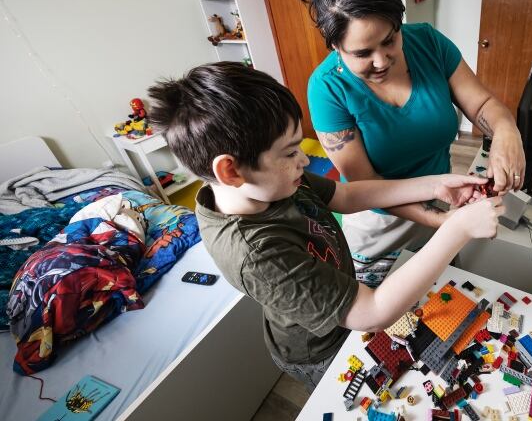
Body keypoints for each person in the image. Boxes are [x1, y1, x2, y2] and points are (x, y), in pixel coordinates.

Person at [146, 62, 504, 391]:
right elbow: (371, 312)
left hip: (345, 305)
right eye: (289, 152)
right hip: (320, 349)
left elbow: (346, 197)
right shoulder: (255, 253)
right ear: (231, 171)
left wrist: (436, 183)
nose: (304, 159)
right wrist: (456, 231)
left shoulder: (270, 185)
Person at [299, 0, 526, 286]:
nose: (381, 60)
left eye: (390, 40)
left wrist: (507, 131)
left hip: (444, 204)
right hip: (380, 227)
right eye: (362, 53)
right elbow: (367, 185)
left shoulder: (429, 44)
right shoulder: (327, 88)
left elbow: (482, 103)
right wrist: (444, 222)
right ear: (335, 47)